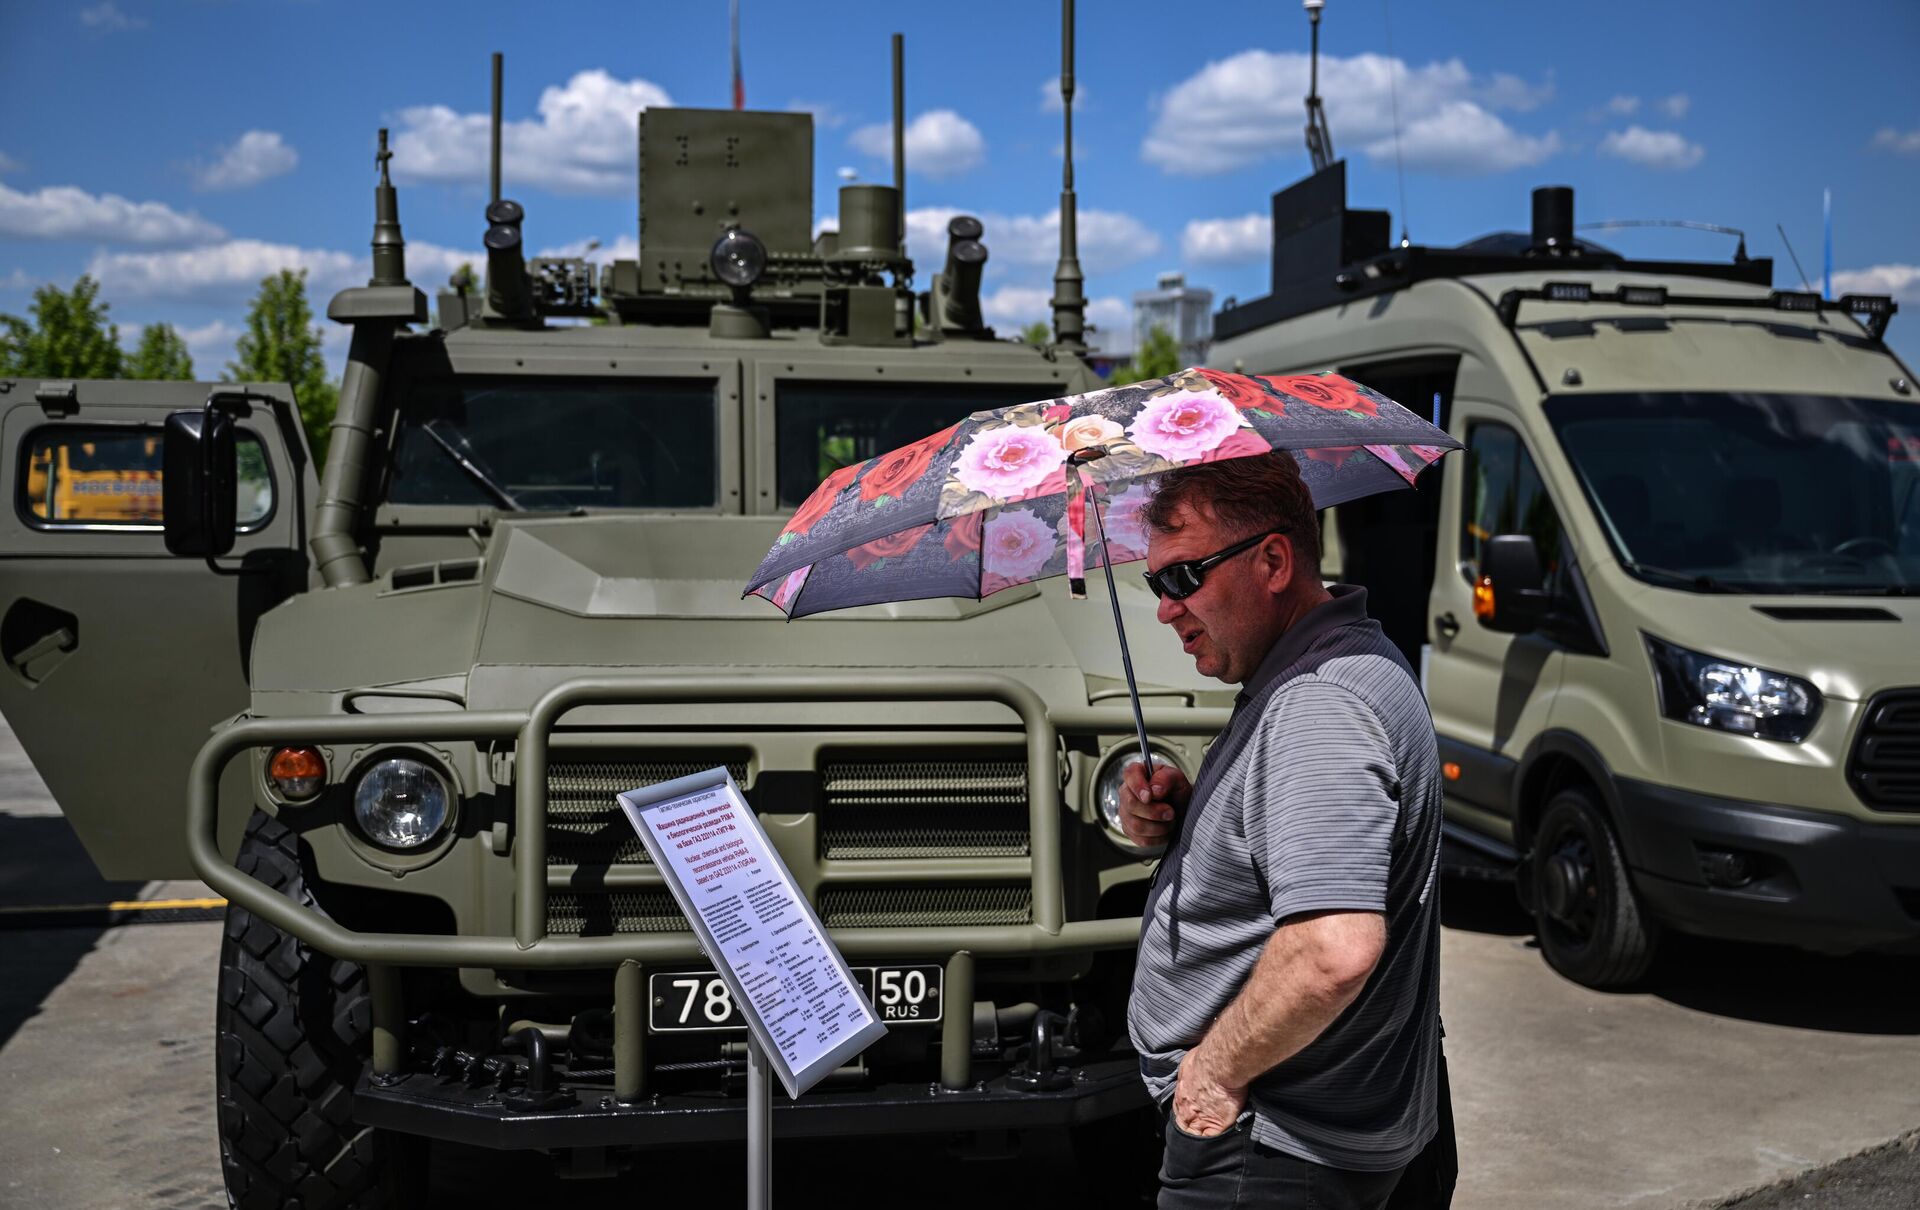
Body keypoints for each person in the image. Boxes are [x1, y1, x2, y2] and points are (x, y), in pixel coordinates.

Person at [1120, 451, 1454, 1209]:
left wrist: (1211, 1075)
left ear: (1272, 560)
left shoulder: (1318, 704)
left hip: (1273, 1148)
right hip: (1314, 1134)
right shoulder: (1336, 663)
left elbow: (1333, 949)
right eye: (1154, 583)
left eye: (1183, 576)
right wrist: (1190, 816)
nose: (1167, 608)